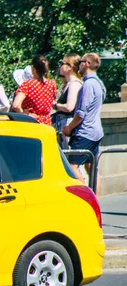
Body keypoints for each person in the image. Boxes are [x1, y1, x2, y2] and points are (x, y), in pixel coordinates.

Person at [62, 53, 106, 192]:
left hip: (85, 132)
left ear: (86, 63)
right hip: (96, 132)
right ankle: (95, 202)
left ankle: (86, 197)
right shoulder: (99, 83)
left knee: (72, 166)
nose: (78, 64)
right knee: (91, 167)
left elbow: (81, 113)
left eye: (80, 61)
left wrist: (69, 127)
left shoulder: (88, 85)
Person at [12, 55, 56, 125]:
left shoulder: (27, 85)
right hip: (46, 124)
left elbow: (16, 105)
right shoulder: (52, 84)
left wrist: (23, 114)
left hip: (31, 122)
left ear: (33, 69)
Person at [52, 54, 82, 149]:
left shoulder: (74, 84)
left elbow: (69, 107)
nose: (60, 66)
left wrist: (55, 105)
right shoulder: (68, 84)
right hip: (62, 126)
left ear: (70, 67)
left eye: (63, 63)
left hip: (67, 126)